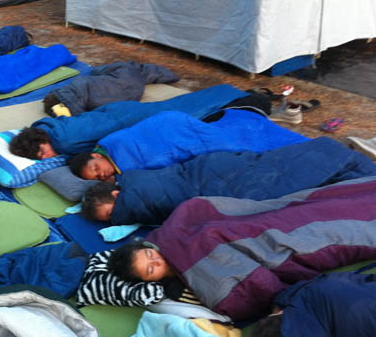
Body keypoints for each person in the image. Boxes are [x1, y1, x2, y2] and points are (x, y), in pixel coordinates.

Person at [103, 175, 376, 321]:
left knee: (321, 209)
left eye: (151, 255)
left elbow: (197, 209)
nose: (159, 262)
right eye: (151, 270)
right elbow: (245, 291)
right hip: (278, 245)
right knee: (338, 227)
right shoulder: (190, 280)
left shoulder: (172, 235)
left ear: (149, 245)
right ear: (153, 280)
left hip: (264, 224)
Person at [80, 137, 376, 224]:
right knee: (284, 166)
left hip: (218, 184)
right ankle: (342, 158)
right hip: (212, 169)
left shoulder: (136, 196)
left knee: (286, 180)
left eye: (111, 214)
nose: (115, 219)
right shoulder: (131, 178)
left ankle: (350, 163)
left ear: (116, 196)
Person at [7, 87, 267, 159]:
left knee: (190, 112)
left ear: (42, 142)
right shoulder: (51, 125)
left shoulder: (63, 141)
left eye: (42, 153)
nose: (46, 158)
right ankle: (228, 93)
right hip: (118, 111)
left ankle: (237, 96)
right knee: (184, 105)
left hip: (128, 119)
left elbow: (92, 144)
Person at [67, 108, 307, 182]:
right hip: (173, 127)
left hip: (174, 127)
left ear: (95, 156)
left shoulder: (111, 145)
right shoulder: (117, 165)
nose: (102, 174)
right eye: (97, 178)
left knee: (239, 147)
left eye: (96, 168)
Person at [40, 61, 179, 117]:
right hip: (121, 90)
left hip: (96, 91)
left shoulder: (126, 69)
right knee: (82, 86)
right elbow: (96, 73)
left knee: (81, 89)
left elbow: (96, 73)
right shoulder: (130, 71)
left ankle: (62, 107)